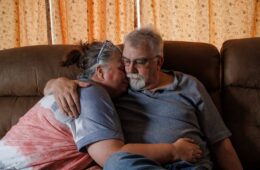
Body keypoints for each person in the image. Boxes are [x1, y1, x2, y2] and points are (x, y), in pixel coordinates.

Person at [44, 28, 243, 170]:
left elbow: (220, 143)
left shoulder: (190, 85)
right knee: (116, 162)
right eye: (126, 62)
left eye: (139, 63)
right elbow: (84, 88)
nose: (130, 71)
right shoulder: (119, 88)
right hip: (140, 165)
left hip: (189, 165)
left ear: (159, 62)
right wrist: (56, 83)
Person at [0, 41, 202, 170]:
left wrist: (54, 83)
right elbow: (113, 158)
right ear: (100, 72)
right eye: (121, 68)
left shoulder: (82, 90)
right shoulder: (91, 93)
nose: (129, 73)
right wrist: (175, 150)